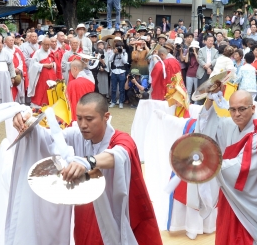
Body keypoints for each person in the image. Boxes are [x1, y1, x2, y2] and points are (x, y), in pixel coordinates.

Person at [11, 92, 163, 244]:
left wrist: (87, 162)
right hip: (85, 214)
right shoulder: (78, 135)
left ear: (106, 117)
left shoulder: (121, 139)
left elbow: (118, 155)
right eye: (79, 118)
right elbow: (49, 139)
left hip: (114, 213)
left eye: (89, 119)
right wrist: (26, 122)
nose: (83, 124)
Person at [200, 90, 257, 244]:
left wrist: (210, 164)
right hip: (232, 196)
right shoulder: (232, 126)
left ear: (253, 108)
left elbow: (242, 169)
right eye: (233, 109)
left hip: (252, 199)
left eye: (242, 109)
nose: (237, 114)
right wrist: (209, 100)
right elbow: (209, 125)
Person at [28, 37, 58, 107]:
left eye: (48, 45)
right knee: (41, 91)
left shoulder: (50, 52)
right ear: (42, 44)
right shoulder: (38, 52)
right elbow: (33, 64)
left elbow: (54, 62)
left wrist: (53, 64)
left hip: (51, 76)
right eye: (45, 45)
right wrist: (44, 65)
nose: (47, 46)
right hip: (41, 77)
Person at [5, 36, 27, 104]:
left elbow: (21, 61)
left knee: (21, 90)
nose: (11, 42)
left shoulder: (17, 49)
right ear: (5, 42)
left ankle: (21, 104)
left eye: (12, 40)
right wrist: (13, 70)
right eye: (9, 40)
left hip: (19, 73)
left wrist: (19, 69)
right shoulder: (4, 51)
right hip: (10, 75)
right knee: (12, 91)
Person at [196, 35, 219, 103]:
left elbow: (216, 59)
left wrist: (209, 64)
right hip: (202, 72)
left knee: (210, 90)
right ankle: (200, 105)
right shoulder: (201, 50)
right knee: (201, 90)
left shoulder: (216, 51)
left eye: (212, 41)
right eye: (209, 40)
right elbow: (200, 60)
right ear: (205, 41)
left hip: (211, 72)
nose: (211, 42)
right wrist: (207, 68)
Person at [109, 40, 128, 109]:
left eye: (121, 46)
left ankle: (120, 102)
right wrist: (114, 53)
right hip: (114, 71)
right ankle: (113, 101)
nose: (119, 48)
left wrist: (121, 53)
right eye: (118, 47)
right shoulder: (113, 52)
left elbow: (125, 62)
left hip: (122, 72)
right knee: (113, 88)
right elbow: (109, 60)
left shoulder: (125, 53)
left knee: (121, 89)